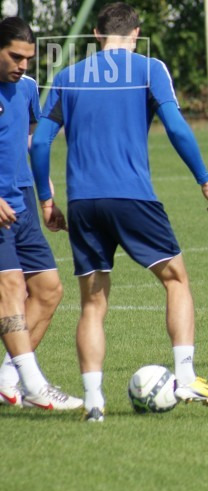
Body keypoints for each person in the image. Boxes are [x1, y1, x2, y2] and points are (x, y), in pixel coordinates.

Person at [30, 2, 208, 422]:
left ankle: (94, 402)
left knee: (92, 304)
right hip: (132, 197)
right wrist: (205, 180)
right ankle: (185, 377)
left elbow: (42, 142)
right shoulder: (150, 69)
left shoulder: (67, 76)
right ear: (136, 33)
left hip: (83, 203)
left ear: (96, 36)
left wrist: (47, 200)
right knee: (176, 279)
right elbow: (176, 127)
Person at [0, 17, 82, 410]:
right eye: (15, 57)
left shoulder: (29, 88)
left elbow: (30, 141)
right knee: (11, 288)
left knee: (48, 290)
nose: (23, 66)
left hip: (25, 204)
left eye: (28, 59)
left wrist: (47, 198)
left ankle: (6, 381)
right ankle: (34, 385)